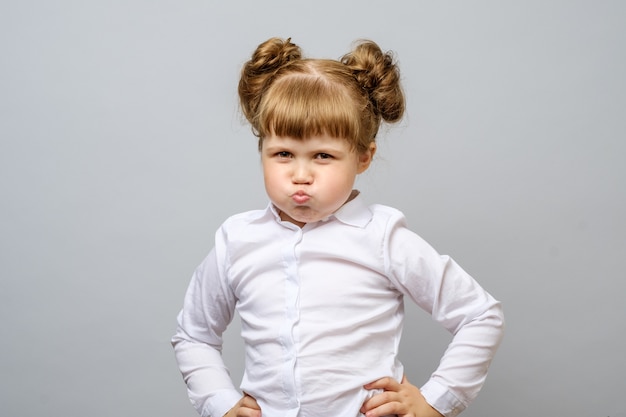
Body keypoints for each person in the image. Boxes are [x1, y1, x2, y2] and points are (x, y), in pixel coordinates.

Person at [172, 37, 504, 417]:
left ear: (363, 156)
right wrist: (220, 403)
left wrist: (435, 401)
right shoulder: (238, 240)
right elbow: (194, 333)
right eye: (283, 154)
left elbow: (480, 315)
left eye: (323, 156)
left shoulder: (382, 239)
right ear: (262, 148)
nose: (300, 175)